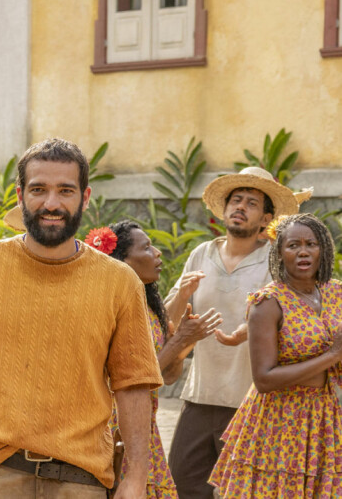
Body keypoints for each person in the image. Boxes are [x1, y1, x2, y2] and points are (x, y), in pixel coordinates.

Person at [0, 138, 163, 499]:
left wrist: (137, 475)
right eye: (39, 189)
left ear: (85, 197)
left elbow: (133, 384)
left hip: (81, 479)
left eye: (65, 190)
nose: (51, 203)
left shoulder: (119, 281)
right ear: (19, 194)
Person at [164, 167, 308, 499]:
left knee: (245, 491)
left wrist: (246, 331)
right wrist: (183, 295)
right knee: (183, 485)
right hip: (199, 395)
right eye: (236, 200)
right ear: (225, 209)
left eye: (252, 203)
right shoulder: (202, 254)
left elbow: (282, 317)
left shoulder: (275, 262)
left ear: (265, 218)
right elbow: (170, 324)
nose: (240, 207)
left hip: (251, 400)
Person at [85, 220, 223, 498]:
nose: (157, 253)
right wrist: (181, 341)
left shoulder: (148, 306)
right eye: (147, 247)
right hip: (114, 430)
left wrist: (185, 341)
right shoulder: (107, 306)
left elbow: (168, 376)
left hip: (143, 429)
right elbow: (129, 378)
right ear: (121, 260)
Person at [209, 213, 342, 497]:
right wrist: (333, 355)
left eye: (311, 244)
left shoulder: (335, 293)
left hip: (323, 417)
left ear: (324, 249)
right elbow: (264, 380)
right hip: (280, 420)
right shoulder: (268, 303)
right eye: (293, 245)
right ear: (280, 253)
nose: (303, 251)